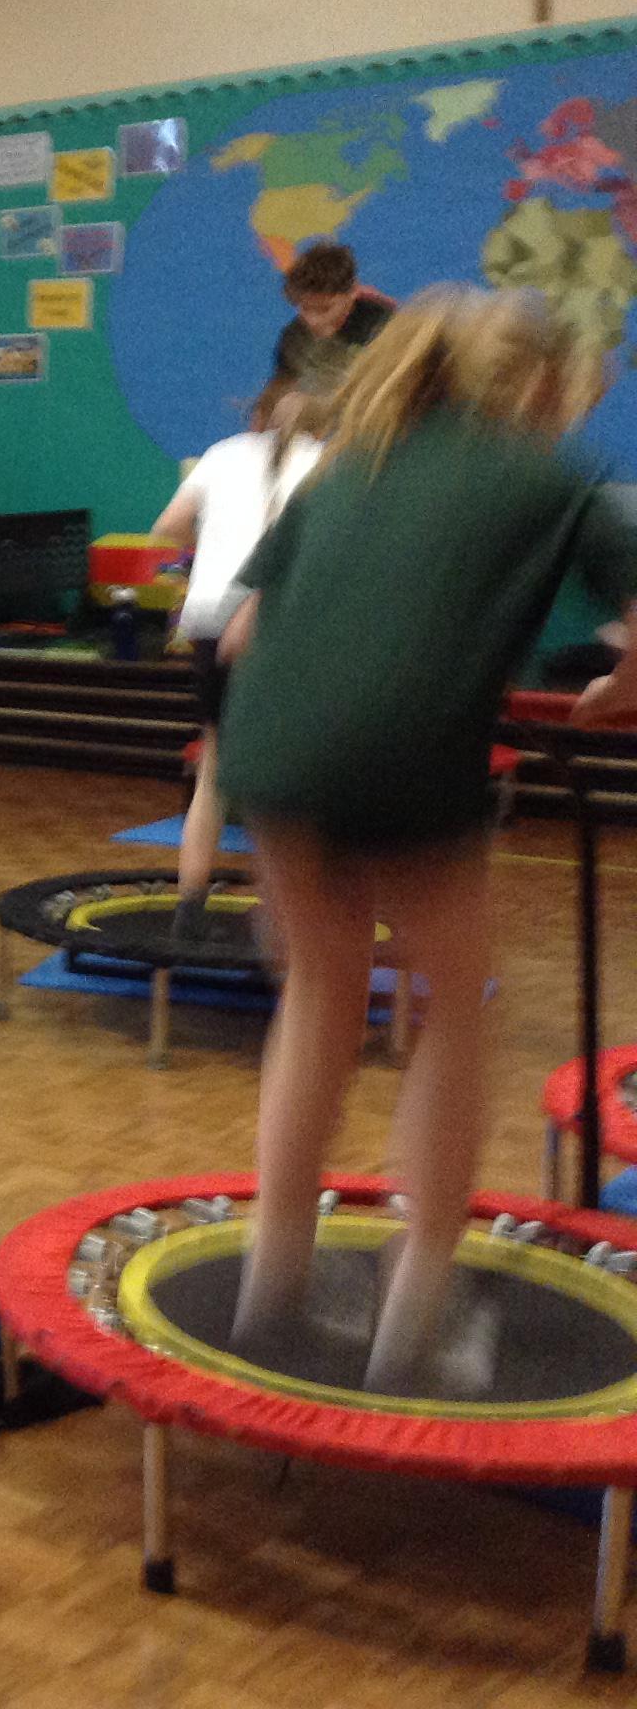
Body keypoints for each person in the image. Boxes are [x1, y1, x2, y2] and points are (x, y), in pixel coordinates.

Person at [217, 287, 637, 1395]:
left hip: (268, 750)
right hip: (403, 754)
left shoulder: (353, 461)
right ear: (544, 387)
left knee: (319, 993)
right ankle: (414, 1315)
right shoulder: (557, 480)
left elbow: (243, 630)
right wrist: (615, 690)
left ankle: (273, 1282)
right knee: (454, 1009)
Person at [148, 379, 326, 924]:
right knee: (295, 774)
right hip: (280, 623)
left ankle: (189, 905)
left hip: (211, 616)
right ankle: (296, 912)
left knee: (213, 769)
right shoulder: (327, 461)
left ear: (258, 416)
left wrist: (211, 546)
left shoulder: (223, 454)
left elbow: (167, 528)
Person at [271, 241, 392, 397]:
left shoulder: (385, 327)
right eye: (305, 308)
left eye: (324, 309)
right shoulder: (294, 338)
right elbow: (278, 393)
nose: (313, 321)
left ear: (353, 291)